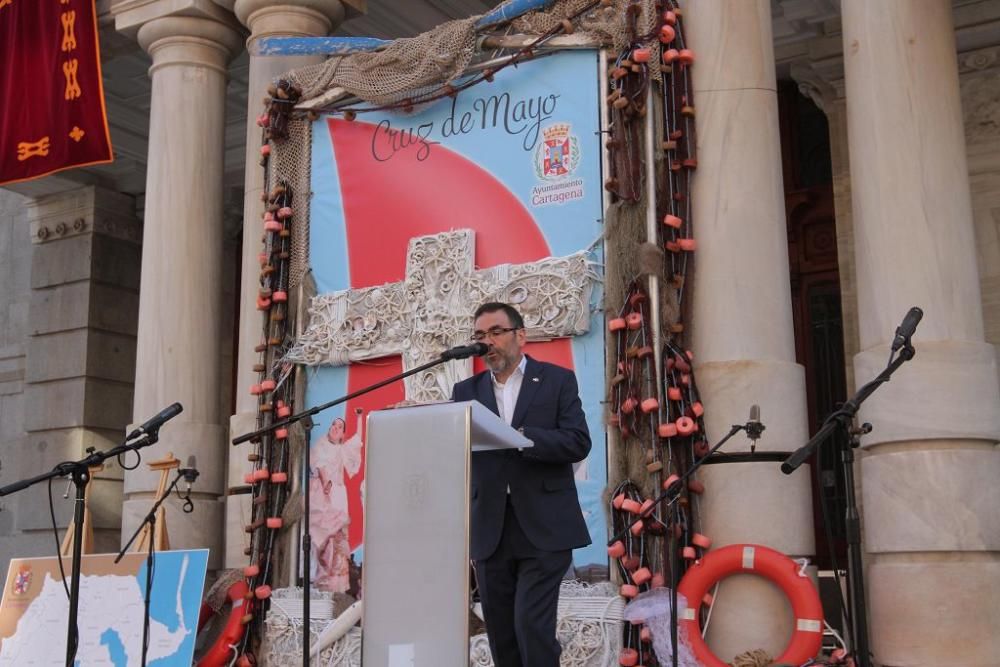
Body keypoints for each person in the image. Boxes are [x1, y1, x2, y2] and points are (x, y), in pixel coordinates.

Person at [452, 302, 591, 667]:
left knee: (531, 625)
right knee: (502, 634)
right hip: (491, 529)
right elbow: (458, 452)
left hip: (544, 525)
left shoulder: (556, 380)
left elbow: (578, 441)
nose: (487, 342)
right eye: (480, 335)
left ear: (521, 336)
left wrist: (525, 438)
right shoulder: (465, 390)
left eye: (496, 332)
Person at [309, 408, 363, 593]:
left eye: (340, 426)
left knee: (340, 538)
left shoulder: (342, 449)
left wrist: (359, 418)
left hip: (339, 495)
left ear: (342, 434)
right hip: (324, 497)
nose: (335, 428)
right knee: (325, 538)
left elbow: (357, 441)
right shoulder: (320, 446)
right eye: (334, 424)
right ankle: (323, 581)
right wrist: (325, 483)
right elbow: (320, 466)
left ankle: (339, 584)